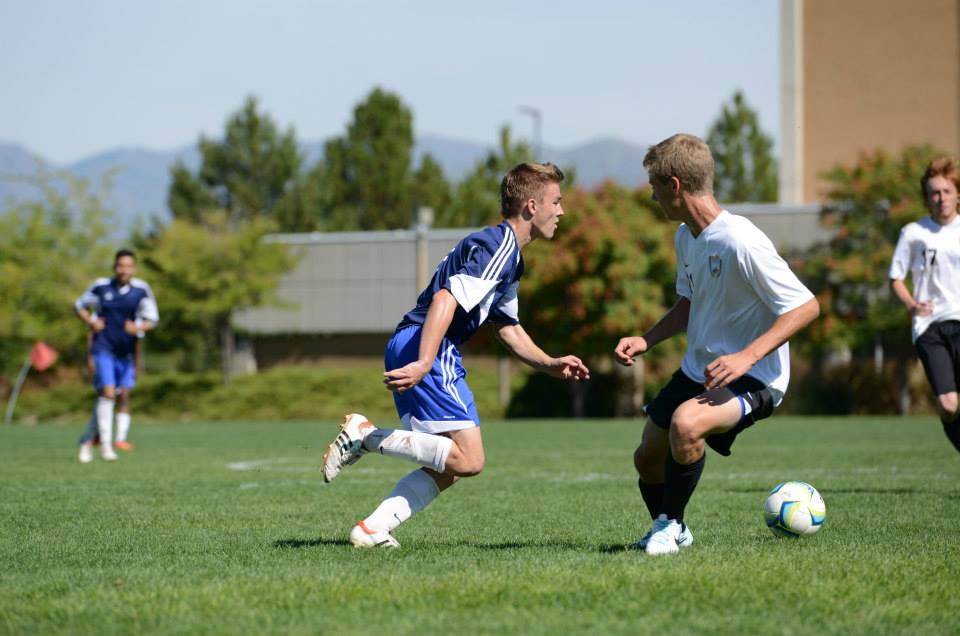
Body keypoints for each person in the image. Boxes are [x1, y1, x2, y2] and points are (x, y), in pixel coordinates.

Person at [321, 162, 590, 549]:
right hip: (428, 345)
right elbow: (446, 298)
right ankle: (366, 435)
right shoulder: (499, 247)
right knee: (470, 459)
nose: (562, 211)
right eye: (556, 202)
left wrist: (549, 363)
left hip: (415, 342)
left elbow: (507, 327)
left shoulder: (509, 257)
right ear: (531, 205)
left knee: (450, 466)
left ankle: (372, 529)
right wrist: (426, 360)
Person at [613, 134, 819, 555]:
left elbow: (805, 306)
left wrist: (746, 356)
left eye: (654, 187)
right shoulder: (687, 237)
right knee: (647, 457)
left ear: (674, 186)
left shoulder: (741, 240)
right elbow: (690, 302)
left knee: (687, 425)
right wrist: (647, 339)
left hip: (756, 375)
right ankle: (671, 528)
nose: (651, 196)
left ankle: (670, 528)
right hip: (699, 369)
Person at [889, 157, 960, 453]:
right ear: (927, 197)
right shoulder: (913, 233)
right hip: (929, 326)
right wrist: (911, 304)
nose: (940, 198)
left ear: (957, 193)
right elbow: (895, 278)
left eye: (945, 191)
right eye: (934, 192)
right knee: (948, 405)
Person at [75, 249, 158, 463]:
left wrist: (138, 327)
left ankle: (86, 440)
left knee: (118, 396)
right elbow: (80, 305)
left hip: (126, 353)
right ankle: (105, 446)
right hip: (103, 348)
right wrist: (91, 322)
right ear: (115, 267)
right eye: (121, 265)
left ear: (134, 268)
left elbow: (153, 319)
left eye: (129, 266)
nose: (124, 270)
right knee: (109, 393)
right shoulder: (102, 286)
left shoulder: (141, 289)